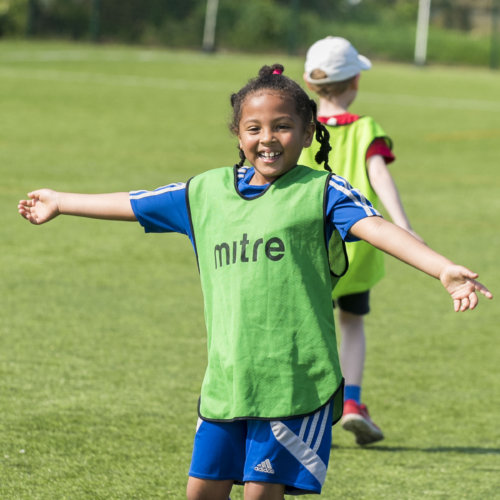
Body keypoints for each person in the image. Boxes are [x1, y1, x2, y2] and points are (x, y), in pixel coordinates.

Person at [18, 64, 492, 500]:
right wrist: (61, 200)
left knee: (260, 495)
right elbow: (134, 202)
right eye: (254, 128)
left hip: (294, 384)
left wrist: (441, 269)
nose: (268, 138)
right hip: (228, 381)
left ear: (308, 132)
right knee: (199, 493)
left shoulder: (323, 190)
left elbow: (378, 228)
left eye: (283, 126)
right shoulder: (204, 193)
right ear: (238, 134)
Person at [299, 36, 422, 445]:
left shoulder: (297, 126)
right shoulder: (366, 127)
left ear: (308, 81)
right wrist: (402, 225)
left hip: (307, 244)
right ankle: (351, 402)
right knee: (351, 323)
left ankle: (299, 405)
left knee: (304, 324)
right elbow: (380, 177)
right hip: (358, 242)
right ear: (355, 81)